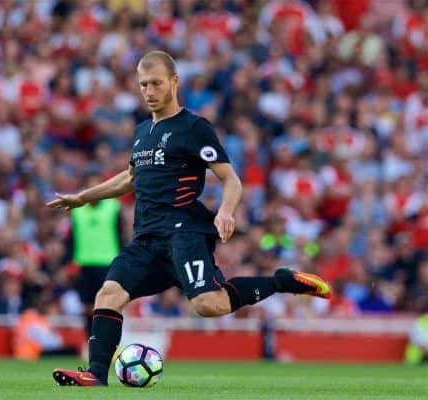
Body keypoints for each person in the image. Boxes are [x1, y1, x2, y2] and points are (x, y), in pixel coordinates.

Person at [46, 50, 332, 387]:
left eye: (155, 83)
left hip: (184, 233)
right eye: (143, 85)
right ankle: (96, 374)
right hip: (146, 238)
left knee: (209, 305)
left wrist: (225, 211)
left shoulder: (194, 128)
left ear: (174, 82)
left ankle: (282, 281)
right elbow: (131, 178)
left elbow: (231, 179)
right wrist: (83, 196)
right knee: (107, 294)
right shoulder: (141, 132)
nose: (149, 91)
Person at [69, 172, 122, 340]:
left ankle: (108, 342)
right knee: (86, 307)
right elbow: (71, 238)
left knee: (108, 305)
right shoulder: (77, 210)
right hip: (84, 263)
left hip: (108, 262)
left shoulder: (113, 207)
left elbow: (120, 234)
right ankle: (89, 341)